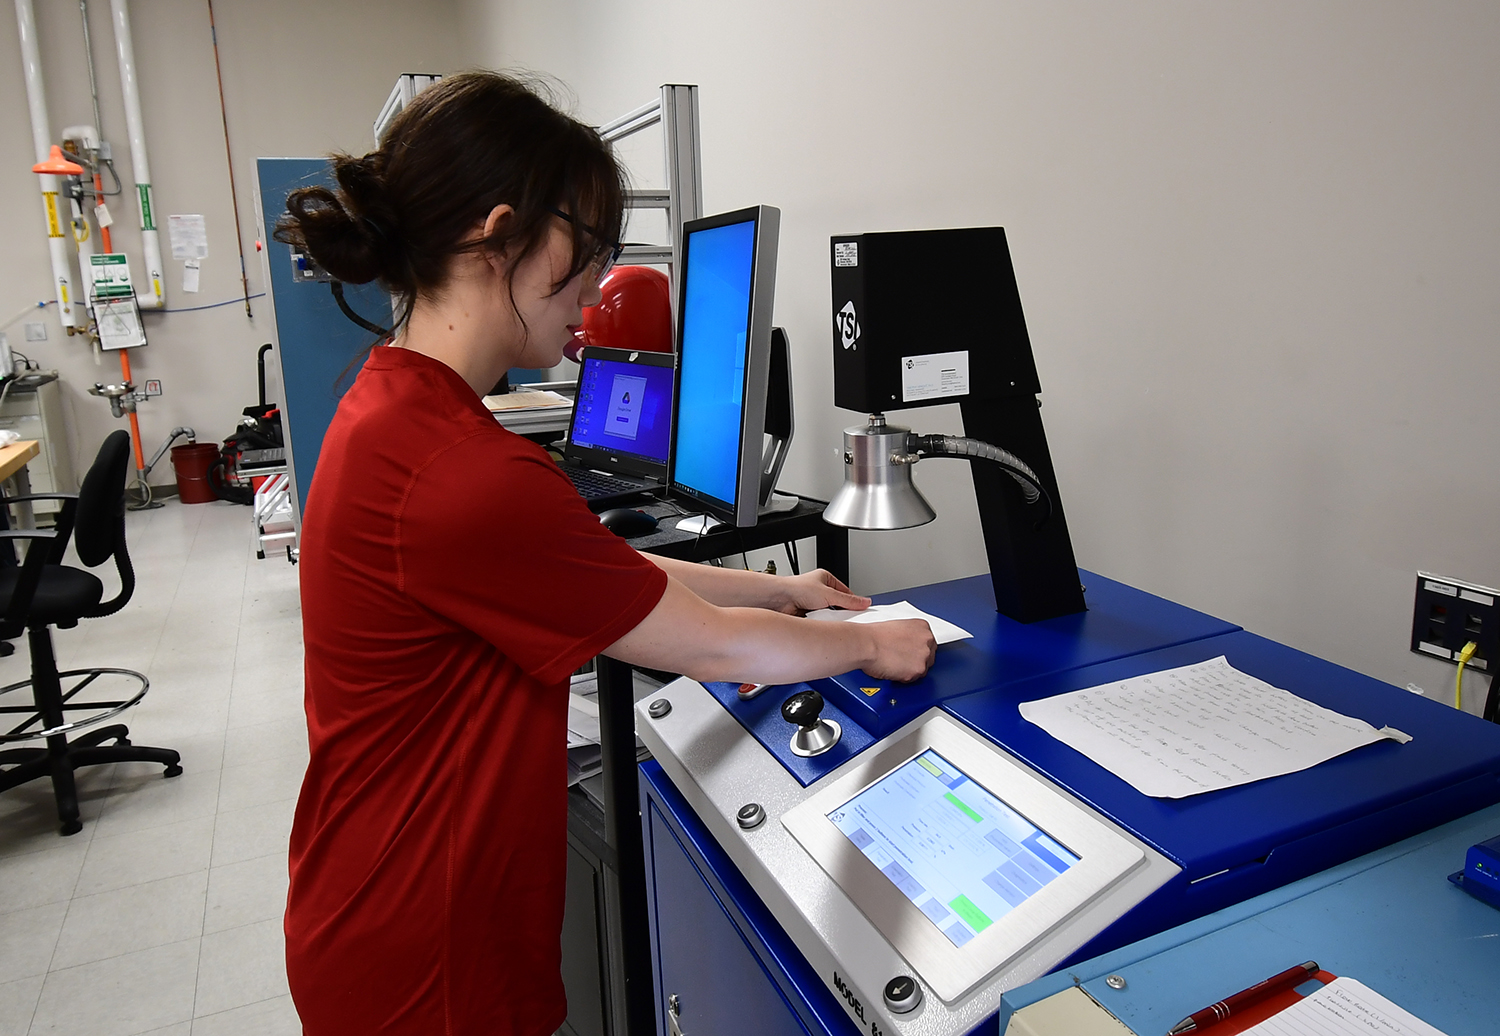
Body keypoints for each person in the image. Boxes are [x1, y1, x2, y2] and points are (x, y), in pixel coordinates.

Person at [276, 71, 936, 1036]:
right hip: (430, 952)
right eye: (586, 254)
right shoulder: (463, 471)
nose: (594, 289)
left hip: (380, 900)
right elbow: (710, 647)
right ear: (501, 233)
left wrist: (791, 592)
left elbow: (601, 576)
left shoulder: (395, 409)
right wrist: (873, 644)